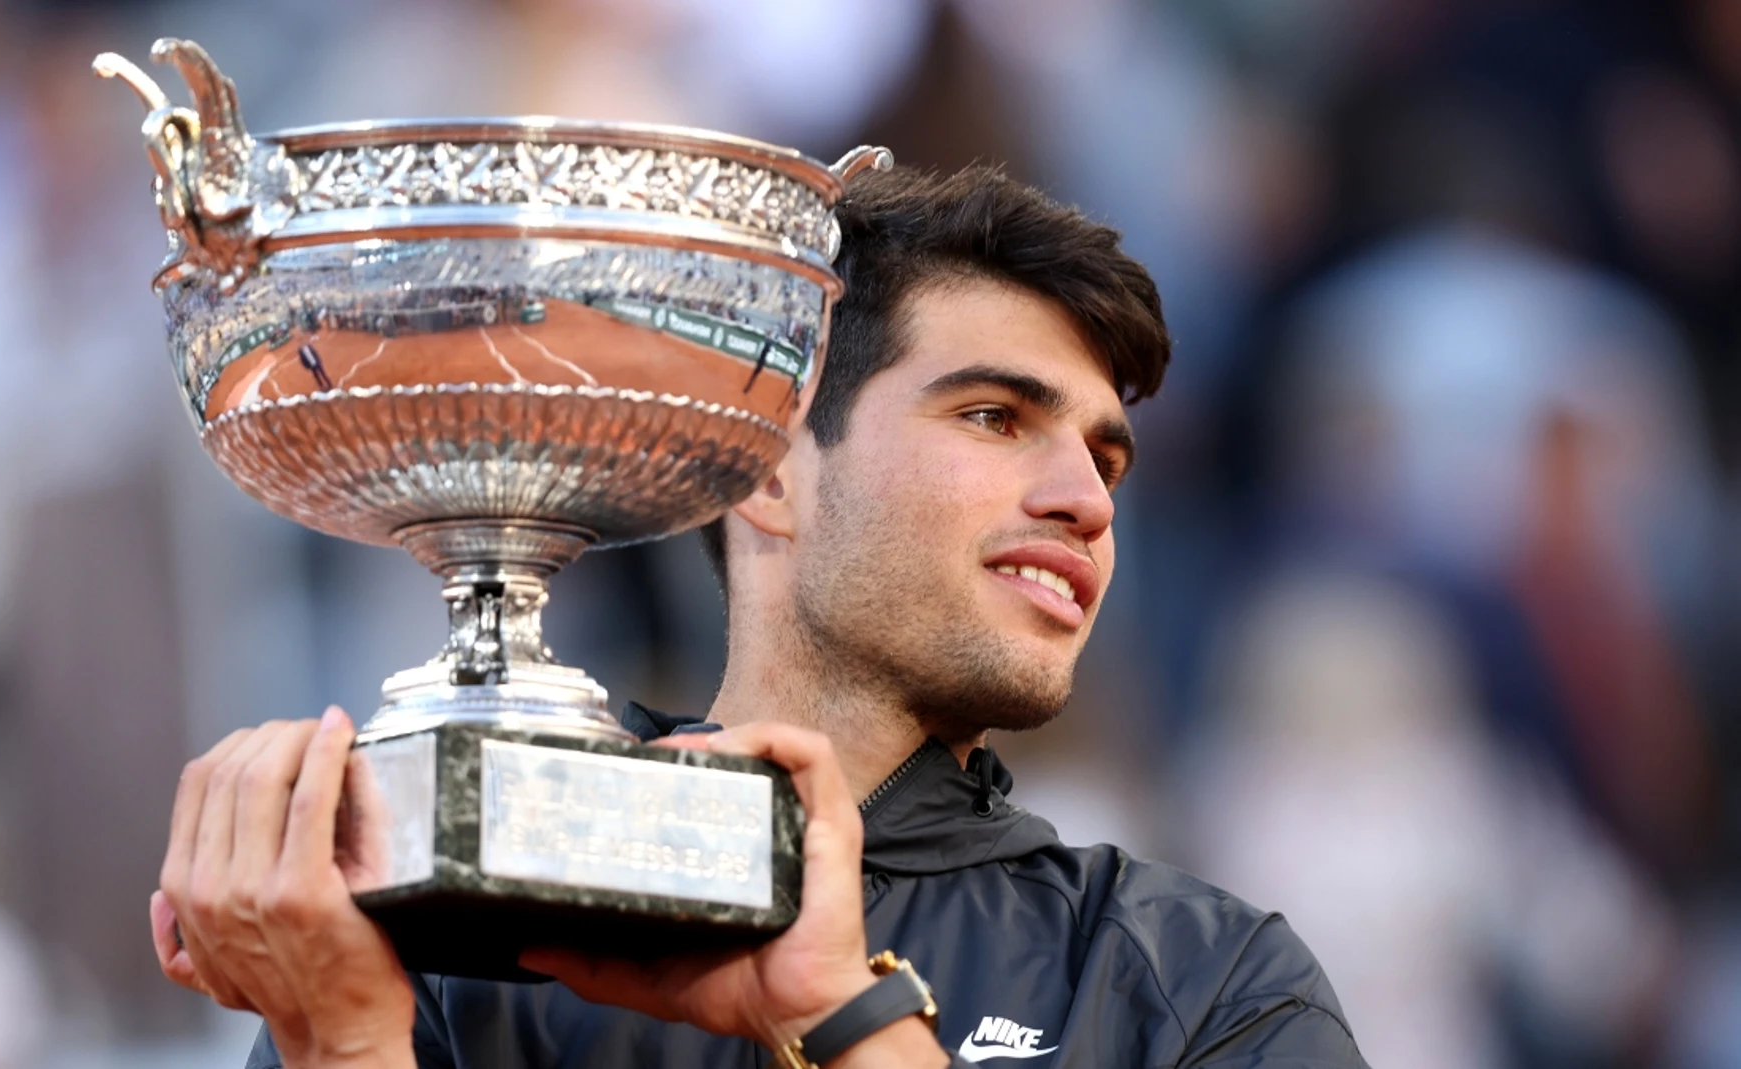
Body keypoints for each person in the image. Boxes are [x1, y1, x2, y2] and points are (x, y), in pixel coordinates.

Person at [150, 165, 1369, 1068]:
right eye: (995, 417)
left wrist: (841, 1010)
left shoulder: (1205, 981)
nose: (1084, 500)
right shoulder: (470, 947)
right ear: (766, 469)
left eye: (1106, 457)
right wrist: (347, 1046)